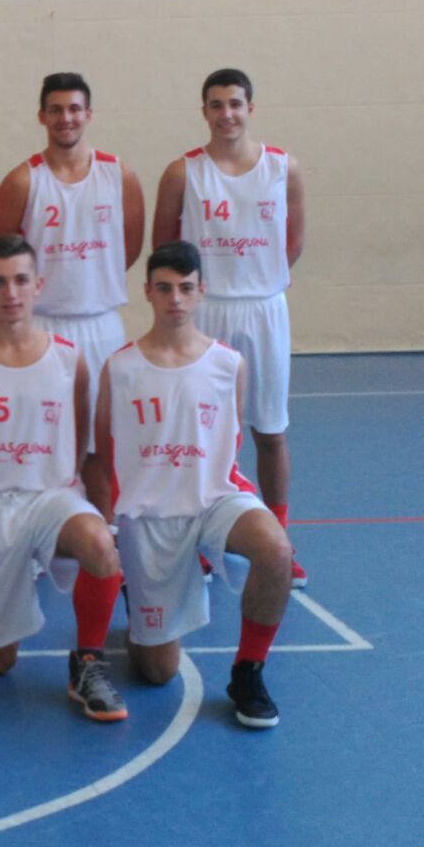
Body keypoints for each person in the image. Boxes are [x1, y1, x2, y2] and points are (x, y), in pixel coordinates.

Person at [96, 241, 294, 728]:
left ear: (202, 291)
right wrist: (110, 526)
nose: (176, 299)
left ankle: (248, 672)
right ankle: (138, 601)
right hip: (150, 516)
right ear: (147, 292)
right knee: (158, 673)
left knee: (276, 551)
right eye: (164, 288)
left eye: (185, 288)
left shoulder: (229, 364)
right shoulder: (120, 368)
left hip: (214, 499)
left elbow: (230, 443)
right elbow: (104, 453)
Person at [0, 236, 127, 721]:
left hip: (49, 499)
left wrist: (52, 480)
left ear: (38, 285)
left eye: (20, 280)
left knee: (101, 545)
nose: (11, 293)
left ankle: (87, 664)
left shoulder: (69, 359)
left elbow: (78, 443)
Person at [151, 69, 306, 587]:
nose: (227, 114)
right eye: (216, 105)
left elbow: (293, 243)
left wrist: (259, 279)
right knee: (202, 435)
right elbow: (164, 247)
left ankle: (279, 539)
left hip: (263, 310)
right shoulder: (183, 172)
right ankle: (199, 539)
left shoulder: (283, 168)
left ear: (250, 108)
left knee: (270, 430)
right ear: (205, 111)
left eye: (235, 103)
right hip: (207, 311)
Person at [0, 73, 143, 508]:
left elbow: (128, 249)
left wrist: (90, 282)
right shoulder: (22, 181)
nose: (66, 118)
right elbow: (3, 259)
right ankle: (39, 531)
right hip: (42, 326)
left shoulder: (118, 175)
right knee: (38, 441)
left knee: (101, 446)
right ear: (41, 116)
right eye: (55, 110)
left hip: (101, 325)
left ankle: (106, 532)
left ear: (88, 114)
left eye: (74, 108)